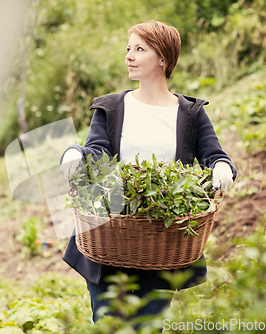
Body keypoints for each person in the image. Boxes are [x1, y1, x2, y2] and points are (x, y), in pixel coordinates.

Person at [59, 20, 237, 329]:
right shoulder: (112, 107)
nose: (129, 56)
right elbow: (98, 150)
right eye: (128, 49)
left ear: (163, 59)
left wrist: (222, 169)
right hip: (110, 239)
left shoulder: (191, 114)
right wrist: (77, 155)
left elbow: (214, 156)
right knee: (109, 325)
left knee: (149, 326)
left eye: (140, 49)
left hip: (160, 243)